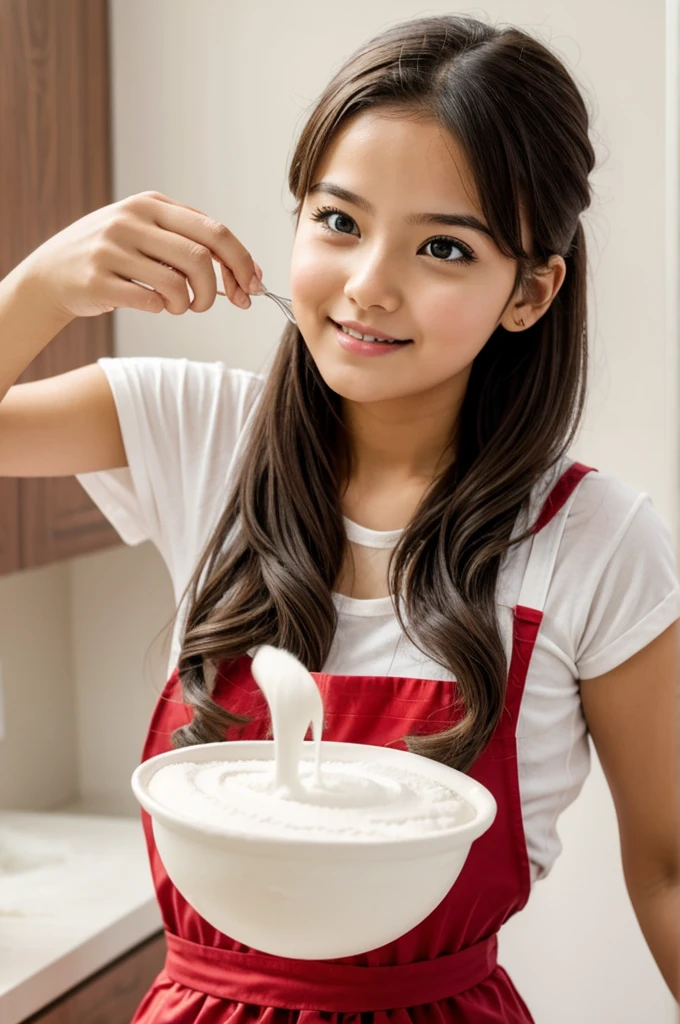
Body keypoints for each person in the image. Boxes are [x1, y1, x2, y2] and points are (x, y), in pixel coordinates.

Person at [0, 12, 678, 1022]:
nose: (368, 286)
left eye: (442, 246)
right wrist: (42, 285)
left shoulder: (594, 540)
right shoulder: (195, 432)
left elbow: (667, 871)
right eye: (337, 220)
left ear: (528, 293)